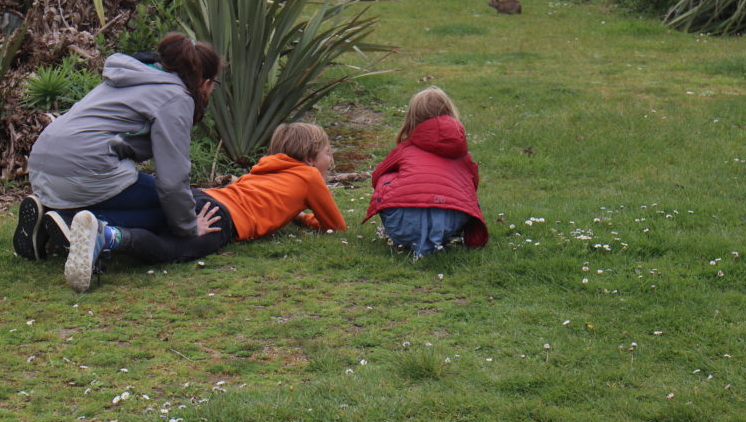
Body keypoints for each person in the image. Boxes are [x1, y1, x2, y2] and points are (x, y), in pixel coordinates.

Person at [61, 122, 347, 292]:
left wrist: (294, 214)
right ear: (310, 158)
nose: (330, 160)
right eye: (327, 153)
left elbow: (268, 198)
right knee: (172, 249)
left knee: (155, 220)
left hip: (204, 196)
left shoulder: (266, 168)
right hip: (220, 218)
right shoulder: (310, 176)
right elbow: (335, 225)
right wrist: (305, 219)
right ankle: (109, 236)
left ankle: (69, 221)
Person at [13, 32, 222, 262]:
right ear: (206, 82)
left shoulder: (135, 76)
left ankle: (47, 220)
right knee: (170, 211)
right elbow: (172, 184)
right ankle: (74, 222)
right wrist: (190, 227)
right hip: (85, 167)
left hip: (42, 162)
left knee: (168, 202)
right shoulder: (176, 97)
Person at [362, 86, 488, 257]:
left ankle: (410, 236)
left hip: (401, 224)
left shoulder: (405, 149)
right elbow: (474, 183)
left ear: (412, 119)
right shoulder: (462, 154)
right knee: (462, 184)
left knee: (387, 176)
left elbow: (376, 176)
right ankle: (437, 238)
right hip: (449, 222)